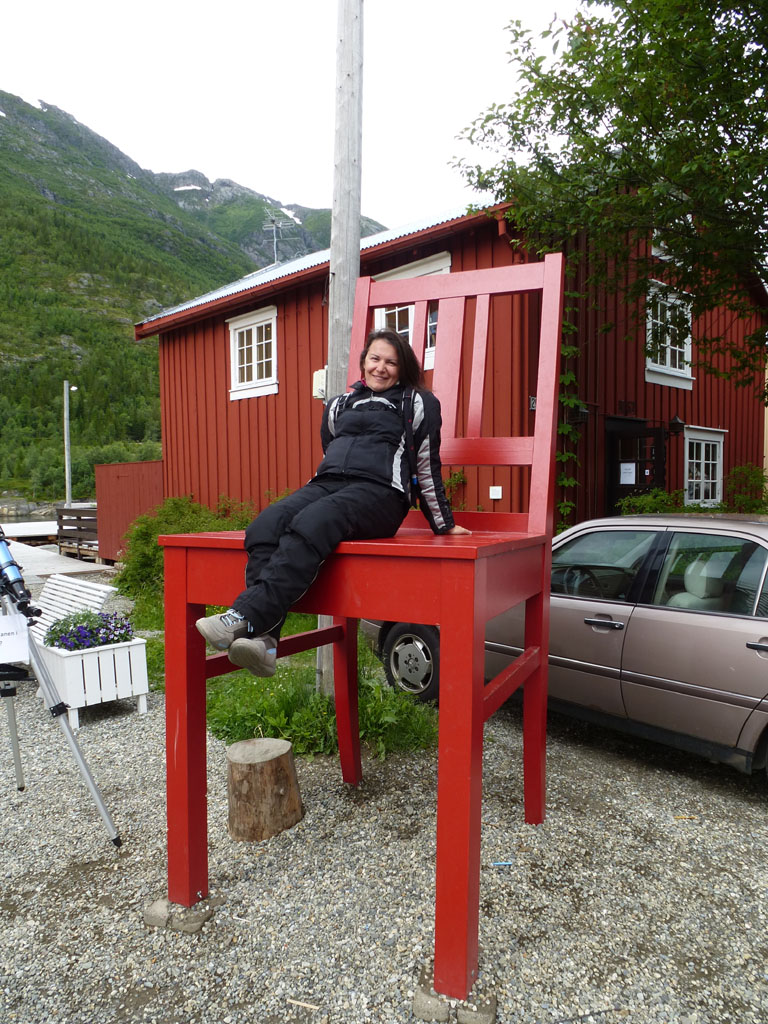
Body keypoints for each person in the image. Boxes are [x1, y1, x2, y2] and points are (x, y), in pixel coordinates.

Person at [195, 327, 470, 676]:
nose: (381, 367)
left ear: (403, 368)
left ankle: (244, 616)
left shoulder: (416, 402)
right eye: (375, 358)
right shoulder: (339, 405)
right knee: (265, 526)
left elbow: (426, 464)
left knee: (312, 522)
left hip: (381, 494)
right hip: (329, 485)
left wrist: (443, 524)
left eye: (391, 362)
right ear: (363, 362)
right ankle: (265, 643)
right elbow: (331, 449)